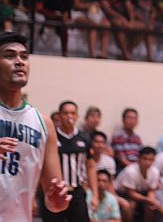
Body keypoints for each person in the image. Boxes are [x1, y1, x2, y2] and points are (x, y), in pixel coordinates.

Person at [0, 31, 71, 221]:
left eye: (24, 56)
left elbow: (53, 195)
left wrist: (57, 202)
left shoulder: (43, 123)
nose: (19, 61)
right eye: (9, 55)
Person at [41, 100, 99, 222]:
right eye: (66, 113)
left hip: (76, 192)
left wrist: (95, 195)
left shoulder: (84, 137)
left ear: (77, 116)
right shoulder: (51, 136)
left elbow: (91, 167)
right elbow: (41, 166)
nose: (69, 116)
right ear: (59, 115)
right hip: (55, 192)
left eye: (72, 113)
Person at [114, 146, 160, 222]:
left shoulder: (155, 171)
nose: (147, 162)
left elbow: (152, 190)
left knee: (151, 205)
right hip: (122, 193)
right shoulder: (131, 171)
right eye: (145, 159)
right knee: (131, 205)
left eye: (151, 160)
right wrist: (147, 199)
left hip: (141, 192)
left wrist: (151, 200)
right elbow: (131, 193)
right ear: (139, 159)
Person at [111, 108, 143, 173]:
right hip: (123, 168)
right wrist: (135, 168)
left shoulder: (137, 138)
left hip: (136, 167)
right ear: (123, 120)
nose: (132, 121)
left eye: (134, 118)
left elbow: (141, 155)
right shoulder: (118, 136)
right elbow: (122, 159)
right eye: (129, 118)